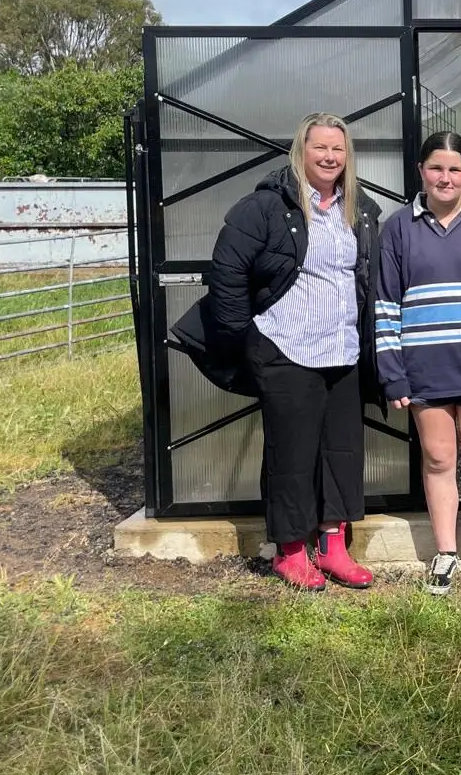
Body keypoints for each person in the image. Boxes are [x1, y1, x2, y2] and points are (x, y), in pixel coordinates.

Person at [172, 113, 382, 591]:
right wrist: (243, 338)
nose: (330, 157)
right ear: (300, 151)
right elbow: (227, 274)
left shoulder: (358, 208)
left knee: (341, 451)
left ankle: (333, 547)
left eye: (338, 149)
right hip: (286, 347)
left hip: (341, 348)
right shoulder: (266, 207)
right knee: (291, 453)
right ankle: (290, 550)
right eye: (320, 148)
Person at [376, 131, 461, 596]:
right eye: (436, 168)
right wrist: (392, 371)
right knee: (438, 460)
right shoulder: (398, 228)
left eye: (455, 169)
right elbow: (386, 306)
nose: (446, 177)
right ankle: (447, 554)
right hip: (424, 370)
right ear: (421, 171)